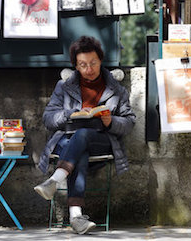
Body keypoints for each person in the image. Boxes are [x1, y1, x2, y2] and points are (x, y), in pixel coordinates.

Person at [34, 36, 135, 235]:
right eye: (83, 65)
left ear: (101, 60)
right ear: (76, 66)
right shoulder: (64, 86)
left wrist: (111, 122)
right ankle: (76, 217)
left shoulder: (116, 89)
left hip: (102, 140)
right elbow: (48, 118)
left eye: (93, 63)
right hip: (68, 140)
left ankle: (55, 180)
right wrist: (67, 114)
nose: (89, 69)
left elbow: (130, 122)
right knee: (79, 147)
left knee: (83, 137)